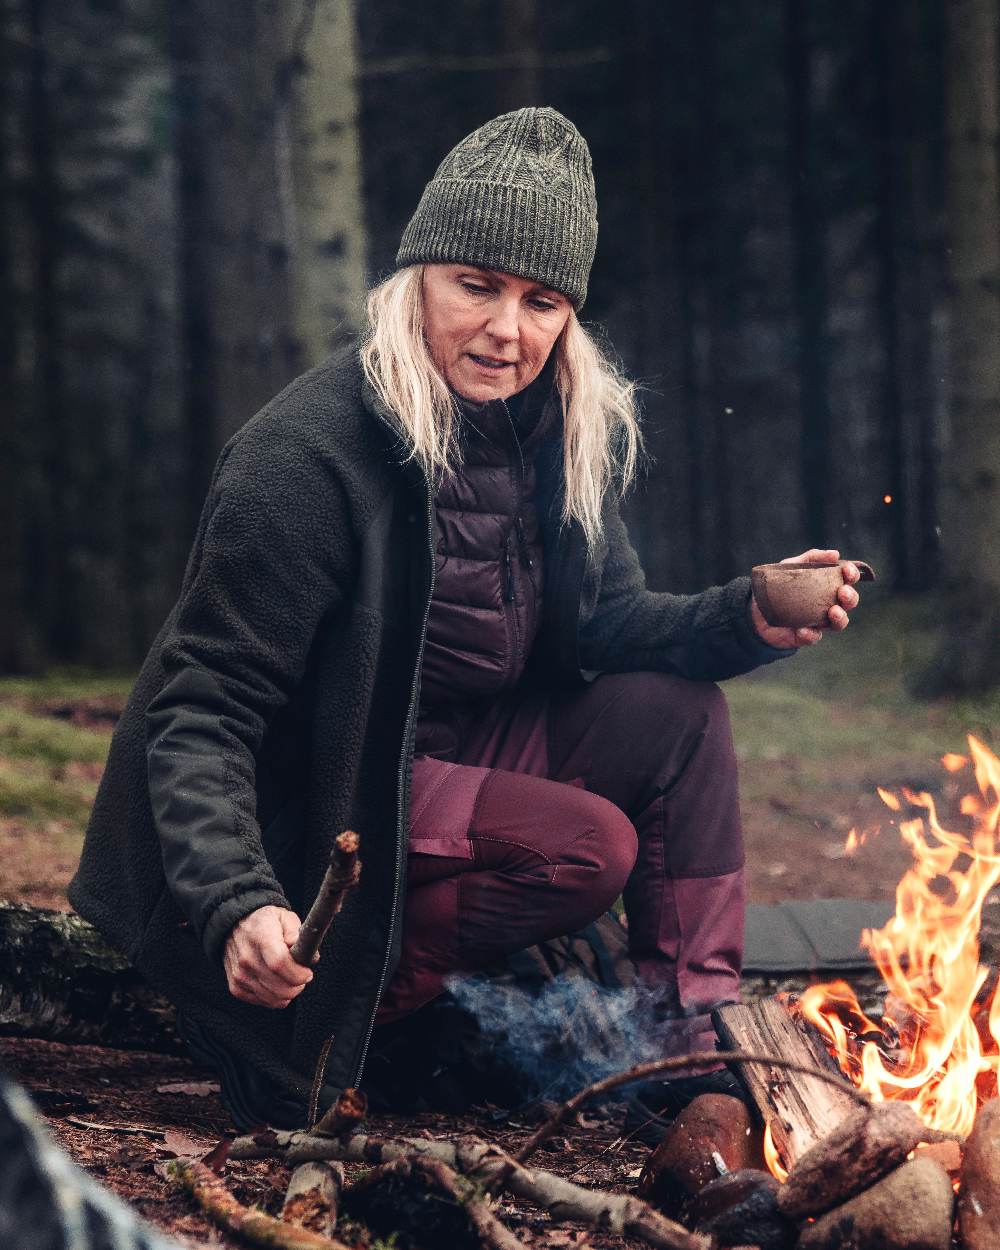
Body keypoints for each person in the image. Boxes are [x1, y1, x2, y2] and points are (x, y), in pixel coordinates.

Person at [68, 107, 862, 1132]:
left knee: (680, 714)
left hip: (455, 750)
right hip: (322, 791)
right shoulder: (303, 461)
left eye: (541, 300)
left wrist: (745, 614)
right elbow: (203, 708)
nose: (506, 328)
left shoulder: (552, 429)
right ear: (416, 283)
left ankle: (684, 1034)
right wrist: (235, 899)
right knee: (590, 846)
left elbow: (610, 626)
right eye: (476, 285)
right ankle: (370, 1003)